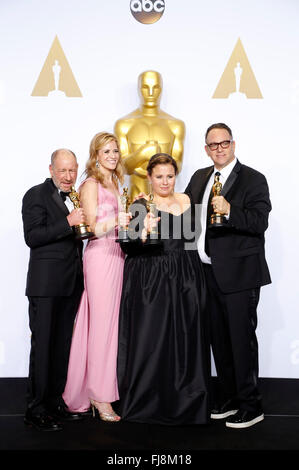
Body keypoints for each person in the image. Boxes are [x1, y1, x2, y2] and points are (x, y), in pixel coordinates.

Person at [185, 123, 271, 429]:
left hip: (241, 276)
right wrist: (151, 206)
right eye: (213, 145)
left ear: (233, 145)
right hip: (207, 273)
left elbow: (259, 222)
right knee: (218, 342)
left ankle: (251, 405)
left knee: (241, 341)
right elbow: (184, 215)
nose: (219, 148)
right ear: (206, 149)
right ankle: (230, 398)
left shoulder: (253, 179)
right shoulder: (199, 178)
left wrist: (231, 209)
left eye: (224, 143)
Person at [117, 153, 210, 425]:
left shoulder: (186, 200)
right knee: (152, 339)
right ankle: (149, 403)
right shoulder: (141, 205)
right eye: (159, 176)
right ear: (149, 177)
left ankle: (189, 402)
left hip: (187, 275)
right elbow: (128, 247)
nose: (165, 181)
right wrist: (142, 231)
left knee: (187, 337)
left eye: (170, 176)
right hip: (152, 279)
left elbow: (193, 239)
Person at [63, 132, 129, 422]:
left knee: (108, 329)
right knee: (102, 330)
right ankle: (100, 398)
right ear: (96, 156)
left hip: (119, 257)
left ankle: (94, 390)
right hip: (100, 257)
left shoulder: (116, 183)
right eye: (106, 151)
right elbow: (90, 227)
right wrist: (118, 219)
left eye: (115, 150)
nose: (113, 155)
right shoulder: (89, 184)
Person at [22, 149, 86, 431]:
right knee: (44, 347)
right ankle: (36, 408)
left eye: (72, 170)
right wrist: (67, 223)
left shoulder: (75, 196)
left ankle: (55, 403)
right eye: (62, 170)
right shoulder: (36, 194)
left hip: (70, 284)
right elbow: (32, 237)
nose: (68, 176)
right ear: (51, 169)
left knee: (61, 348)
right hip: (45, 286)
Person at [114, 70, 185, 199]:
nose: (151, 93)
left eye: (156, 87)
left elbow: (178, 167)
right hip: (134, 200)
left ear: (161, 89)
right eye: (146, 87)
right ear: (138, 89)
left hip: (166, 204)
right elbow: (122, 167)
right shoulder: (124, 124)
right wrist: (142, 154)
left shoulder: (175, 125)